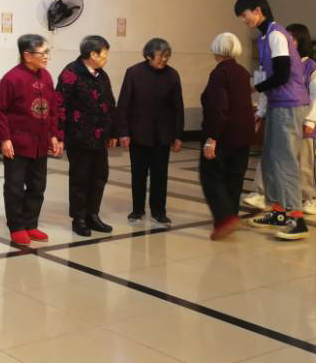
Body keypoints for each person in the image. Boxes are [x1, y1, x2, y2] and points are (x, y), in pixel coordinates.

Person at [235, 0, 309, 240]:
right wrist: (261, 110)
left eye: (244, 15)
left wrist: (254, 88)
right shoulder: (265, 38)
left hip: (290, 105)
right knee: (270, 160)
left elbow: (282, 75)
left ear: (257, 10)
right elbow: (271, 77)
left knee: (285, 161)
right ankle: (278, 212)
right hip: (277, 105)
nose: (244, 20)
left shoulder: (277, 34)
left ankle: (297, 219)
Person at [242, 23, 316, 215]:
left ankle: (310, 197)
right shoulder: (277, 64)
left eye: (291, 38)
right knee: (271, 159)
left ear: (301, 41)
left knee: (303, 164)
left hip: (302, 122)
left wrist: (311, 120)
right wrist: (260, 113)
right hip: (281, 120)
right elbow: (267, 90)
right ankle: (262, 193)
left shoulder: (310, 66)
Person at [0, 34, 61, 246]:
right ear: (27, 55)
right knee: (14, 186)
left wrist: (54, 135)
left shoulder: (46, 77)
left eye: (47, 52)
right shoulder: (11, 79)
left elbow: (53, 109)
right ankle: (16, 226)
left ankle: (31, 223)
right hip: (18, 144)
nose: (46, 56)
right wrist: (5, 139)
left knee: (37, 185)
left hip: (41, 144)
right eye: (43, 53)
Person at [115, 38, 184, 227]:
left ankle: (159, 211)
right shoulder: (134, 73)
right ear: (148, 56)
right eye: (161, 56)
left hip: (163, 135)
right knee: (138, 174)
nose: (164, 60)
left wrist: (178, 135)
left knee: (160, 175)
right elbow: (123, 104)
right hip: (138, 134)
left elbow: (178, 107)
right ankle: (137, 210)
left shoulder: (172, 75)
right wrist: (123, 132)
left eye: (167, 56)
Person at [57, 35, 118, 237]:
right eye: (105, 54)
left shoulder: (102, 75)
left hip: (100, 138)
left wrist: (113, 131)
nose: (107, 58)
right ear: (93, 54)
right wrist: (59, 136)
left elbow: (110, 103)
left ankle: (93, 215)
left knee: (100, 176)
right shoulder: (71, 73)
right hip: (79, 138)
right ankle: (79, 218)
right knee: (80, 179)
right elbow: (60, 106)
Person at [199, 33, 255, 240]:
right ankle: (231, 215)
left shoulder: (219, 74)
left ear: (217, 50)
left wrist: (211, 138)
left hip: (224, 135)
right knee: (234, 177)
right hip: (244, 135)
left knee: (210, 175)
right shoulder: (243, 72)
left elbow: (218, 108)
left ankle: (224, 219)